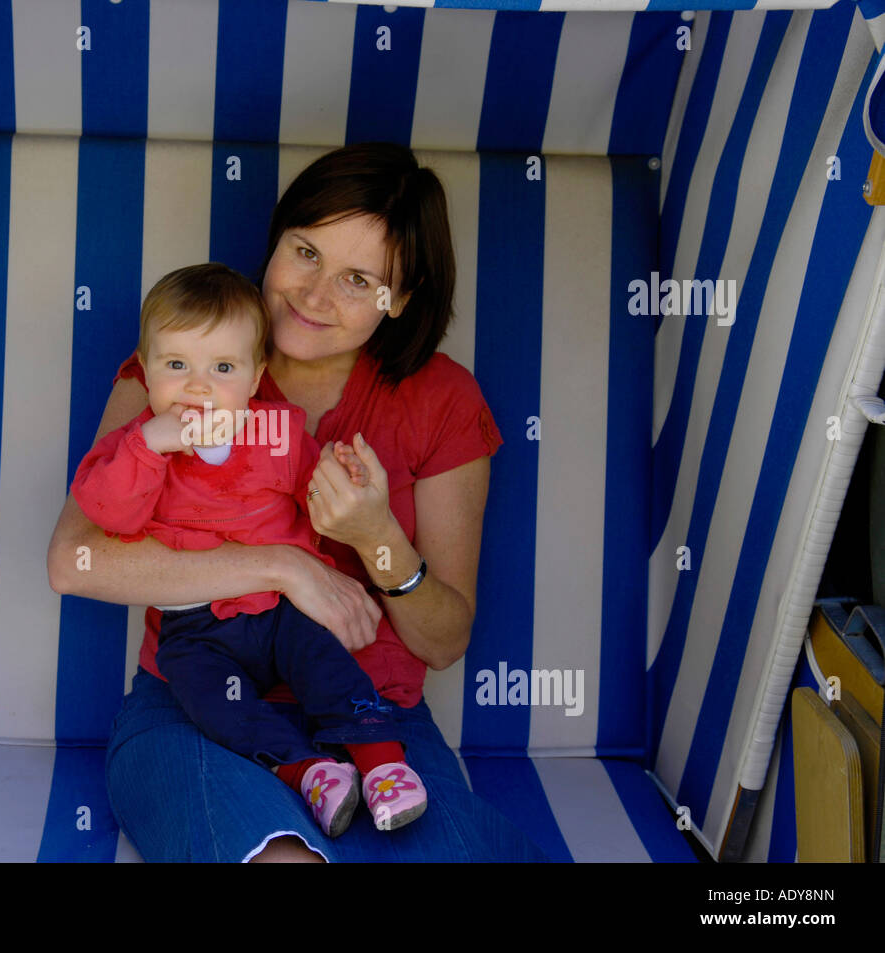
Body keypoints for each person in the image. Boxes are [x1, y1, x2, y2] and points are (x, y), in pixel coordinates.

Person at [48, 141, 550, 862]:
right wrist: (283, 565)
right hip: (196, 710)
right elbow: (76, 560)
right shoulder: (180, 370)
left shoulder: (441, 400)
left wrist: (376, 534)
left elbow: (442, 641)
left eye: (358, 279)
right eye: (305, 252)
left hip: (376, 719)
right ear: (274, 240)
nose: (315, 294)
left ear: (400, 299)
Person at [69, 262, 429, 837]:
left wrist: (349, 481)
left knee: (327, 663)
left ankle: (383, 763)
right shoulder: (136, 443)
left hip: (279, 609)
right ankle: (307, 770)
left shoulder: (278, 433)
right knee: (206, 697)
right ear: (145, 368)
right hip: (194, 625)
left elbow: (323, 504)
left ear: (257, 375)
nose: (198, 386)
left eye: (223, 368)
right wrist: (149, 445)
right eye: (176, 365)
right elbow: (107, 514)